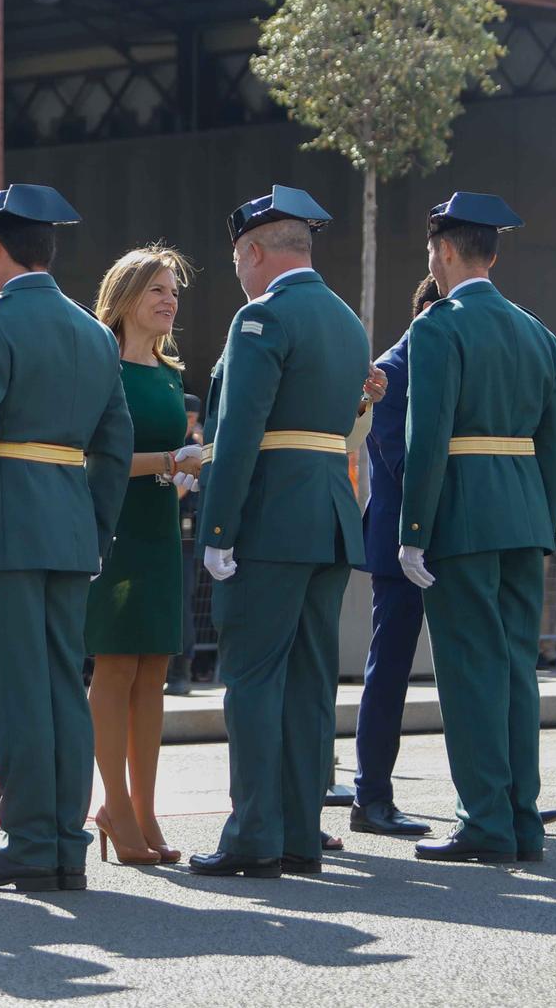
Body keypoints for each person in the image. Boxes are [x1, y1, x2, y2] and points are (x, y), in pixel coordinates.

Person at [0, 184, 131, 893]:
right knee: (59, 690)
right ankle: (63, 845)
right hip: (68, 527)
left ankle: (28, 842)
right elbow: (115, 443)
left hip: (5, 529)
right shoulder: (90, 330)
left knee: (18, 695)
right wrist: (97, 526)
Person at [187, 187, 367, 879]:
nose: (239, 275)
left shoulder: (261, 317)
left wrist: (218, 526)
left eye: (239, 261)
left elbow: (237, 433)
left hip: (271, 519)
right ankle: (300, 832)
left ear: (256, 251)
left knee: (254, 677)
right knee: (311, 680)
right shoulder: (348, 321)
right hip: (328, 516)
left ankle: (254, 832)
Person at [397, 193, 556, 864]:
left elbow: (428, 433)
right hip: (524, 517)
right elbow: (555, 447)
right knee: (515, 672)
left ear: (443, 251)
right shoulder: (539, 332)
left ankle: (486, 821)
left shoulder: (438, 326)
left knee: (470, 672)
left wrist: (414, 527)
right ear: (491, 253)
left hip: (462, 517)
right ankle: (521, 816)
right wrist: (542, 516)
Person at [84, 244, 200, 867]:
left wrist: (181, 475)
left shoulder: (170, 371)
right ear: (125, 296)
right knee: (116, 668)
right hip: (113, 526)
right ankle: (115, 806)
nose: (169, 298)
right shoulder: (99, 364)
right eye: (156, 288)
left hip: (158, 523)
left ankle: (147, 809)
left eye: (173, 289)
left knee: (154, 670)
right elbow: (93, 458)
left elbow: (169, 455)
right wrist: (169, 463)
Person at [349, 275, 441, 839]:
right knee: (390, 672)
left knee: (478, 664)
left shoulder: (442, 361)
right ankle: (371, 796)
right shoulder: (392, 368)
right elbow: (399, 455)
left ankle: (495, 795)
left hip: (446, 534)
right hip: (400, 537)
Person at [166, 392, 206, 697]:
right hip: (161, 530)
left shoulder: (196, 443)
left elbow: (177, 493)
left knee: (181, 605)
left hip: (184, 534)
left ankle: (181, 671)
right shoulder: (167, 438)